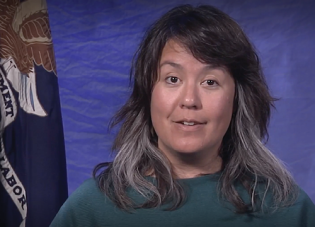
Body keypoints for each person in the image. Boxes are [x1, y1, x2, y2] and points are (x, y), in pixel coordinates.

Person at [50, 4, 315, 227]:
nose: (189, 100)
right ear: (148, 93)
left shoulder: (286, 209)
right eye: (173, 78)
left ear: (237, 99)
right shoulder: (92, 209)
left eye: (210, 82)